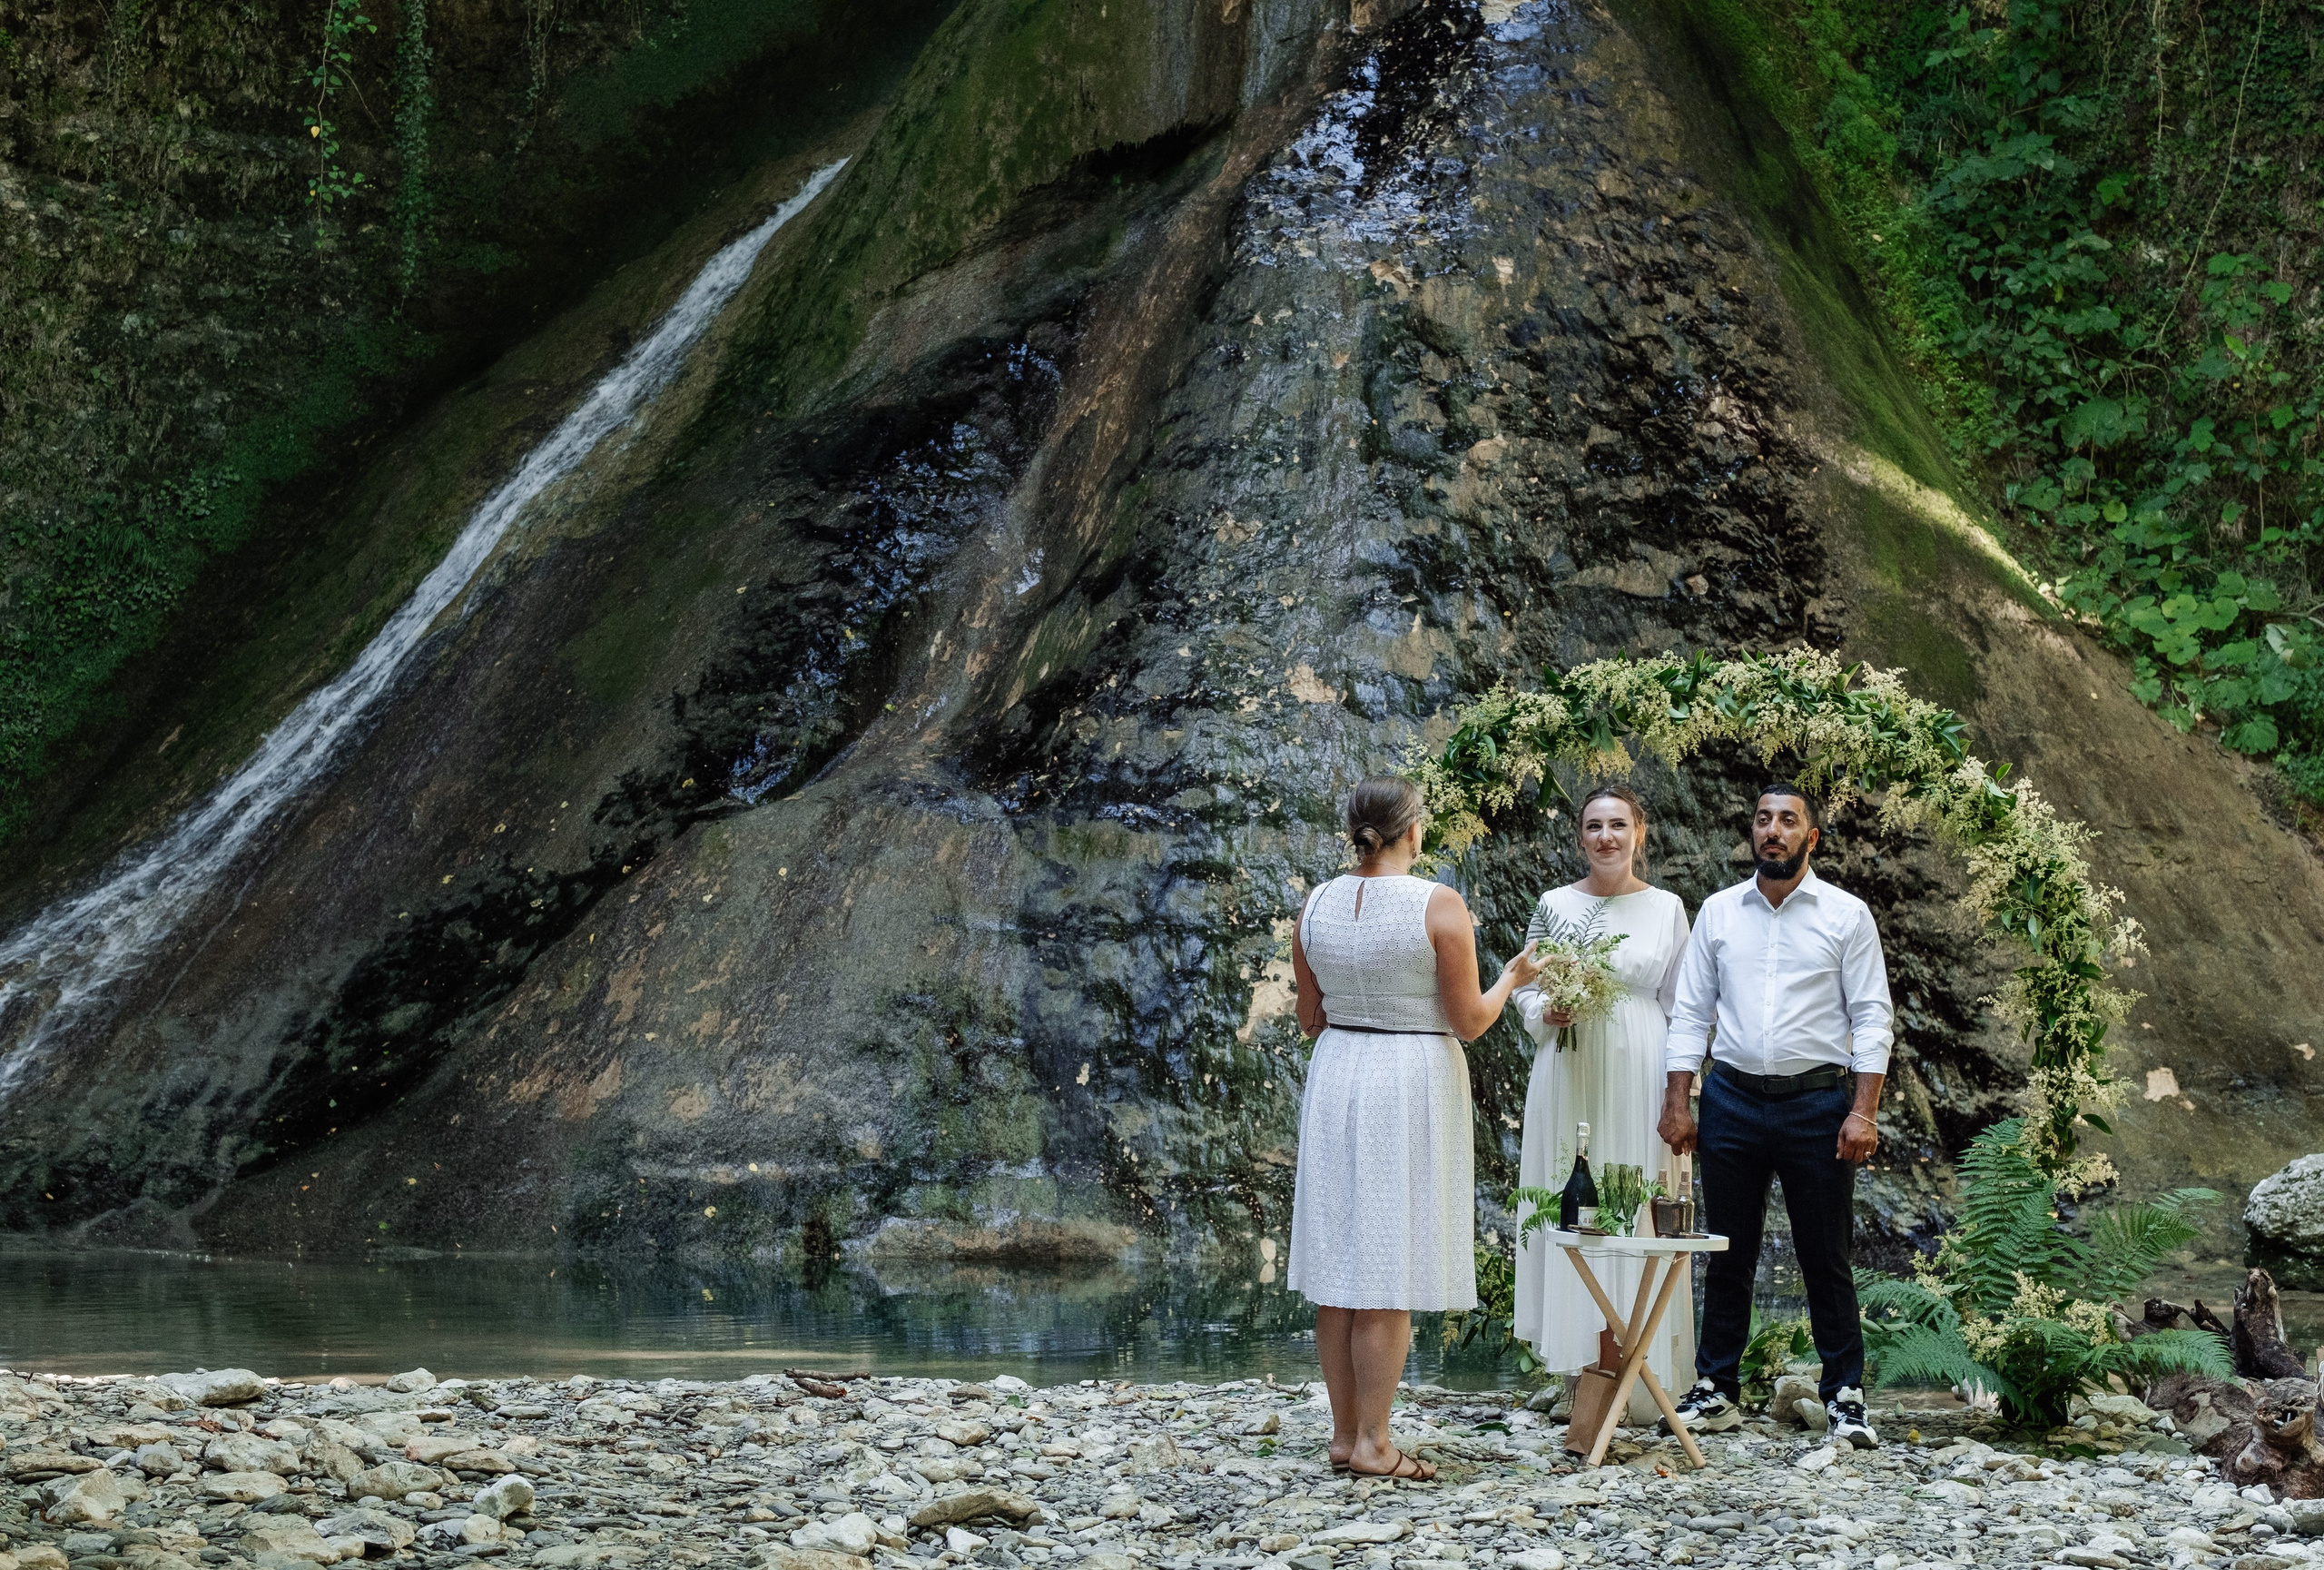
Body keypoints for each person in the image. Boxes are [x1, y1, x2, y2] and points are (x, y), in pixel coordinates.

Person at [1287, 775, 1542, 1481]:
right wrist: (1514, 976)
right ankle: (1375, 1442)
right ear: (1415, 832)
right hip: (1409, 1081)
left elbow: (1310, 1019)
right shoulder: (1439, 903)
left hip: (1338, 1071)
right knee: (1386, 1264)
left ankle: (1343, 1437)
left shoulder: (1317, 903)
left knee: (1340, 1266)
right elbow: (1469, 1020)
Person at [1659, 784, 1894, 1448]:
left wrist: (1863, 1112)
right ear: (1753, 833)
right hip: (1731, 1095)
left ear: (1811, 838)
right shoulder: (1719, 912)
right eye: (1764, 819)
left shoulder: (1847, 915)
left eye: (1789, 820)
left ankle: (1845, 1395)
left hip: (1818, 1100)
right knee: (1727, 1251)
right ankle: (1716, 1388)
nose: (1774, 830)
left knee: (1827, 1253)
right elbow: (1690, 1012)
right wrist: (1678, 1099)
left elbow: (1873, 1016)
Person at [1511, 785, 1693, 1419]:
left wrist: (1681, 1090)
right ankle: (1577, 1367)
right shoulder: (1553, 905)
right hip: (1570, 1064)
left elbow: (1683, 1003)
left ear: (1640, 832)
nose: (1606, 837)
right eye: (1594, 826)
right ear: (1580, 835)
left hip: (1641, 1064)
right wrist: (1547, 1009)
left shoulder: (1669, 907)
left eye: (1619, 825)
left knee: (1637, 1198)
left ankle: (1639, 1369)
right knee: (1574, 1199)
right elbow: (1520, 987)